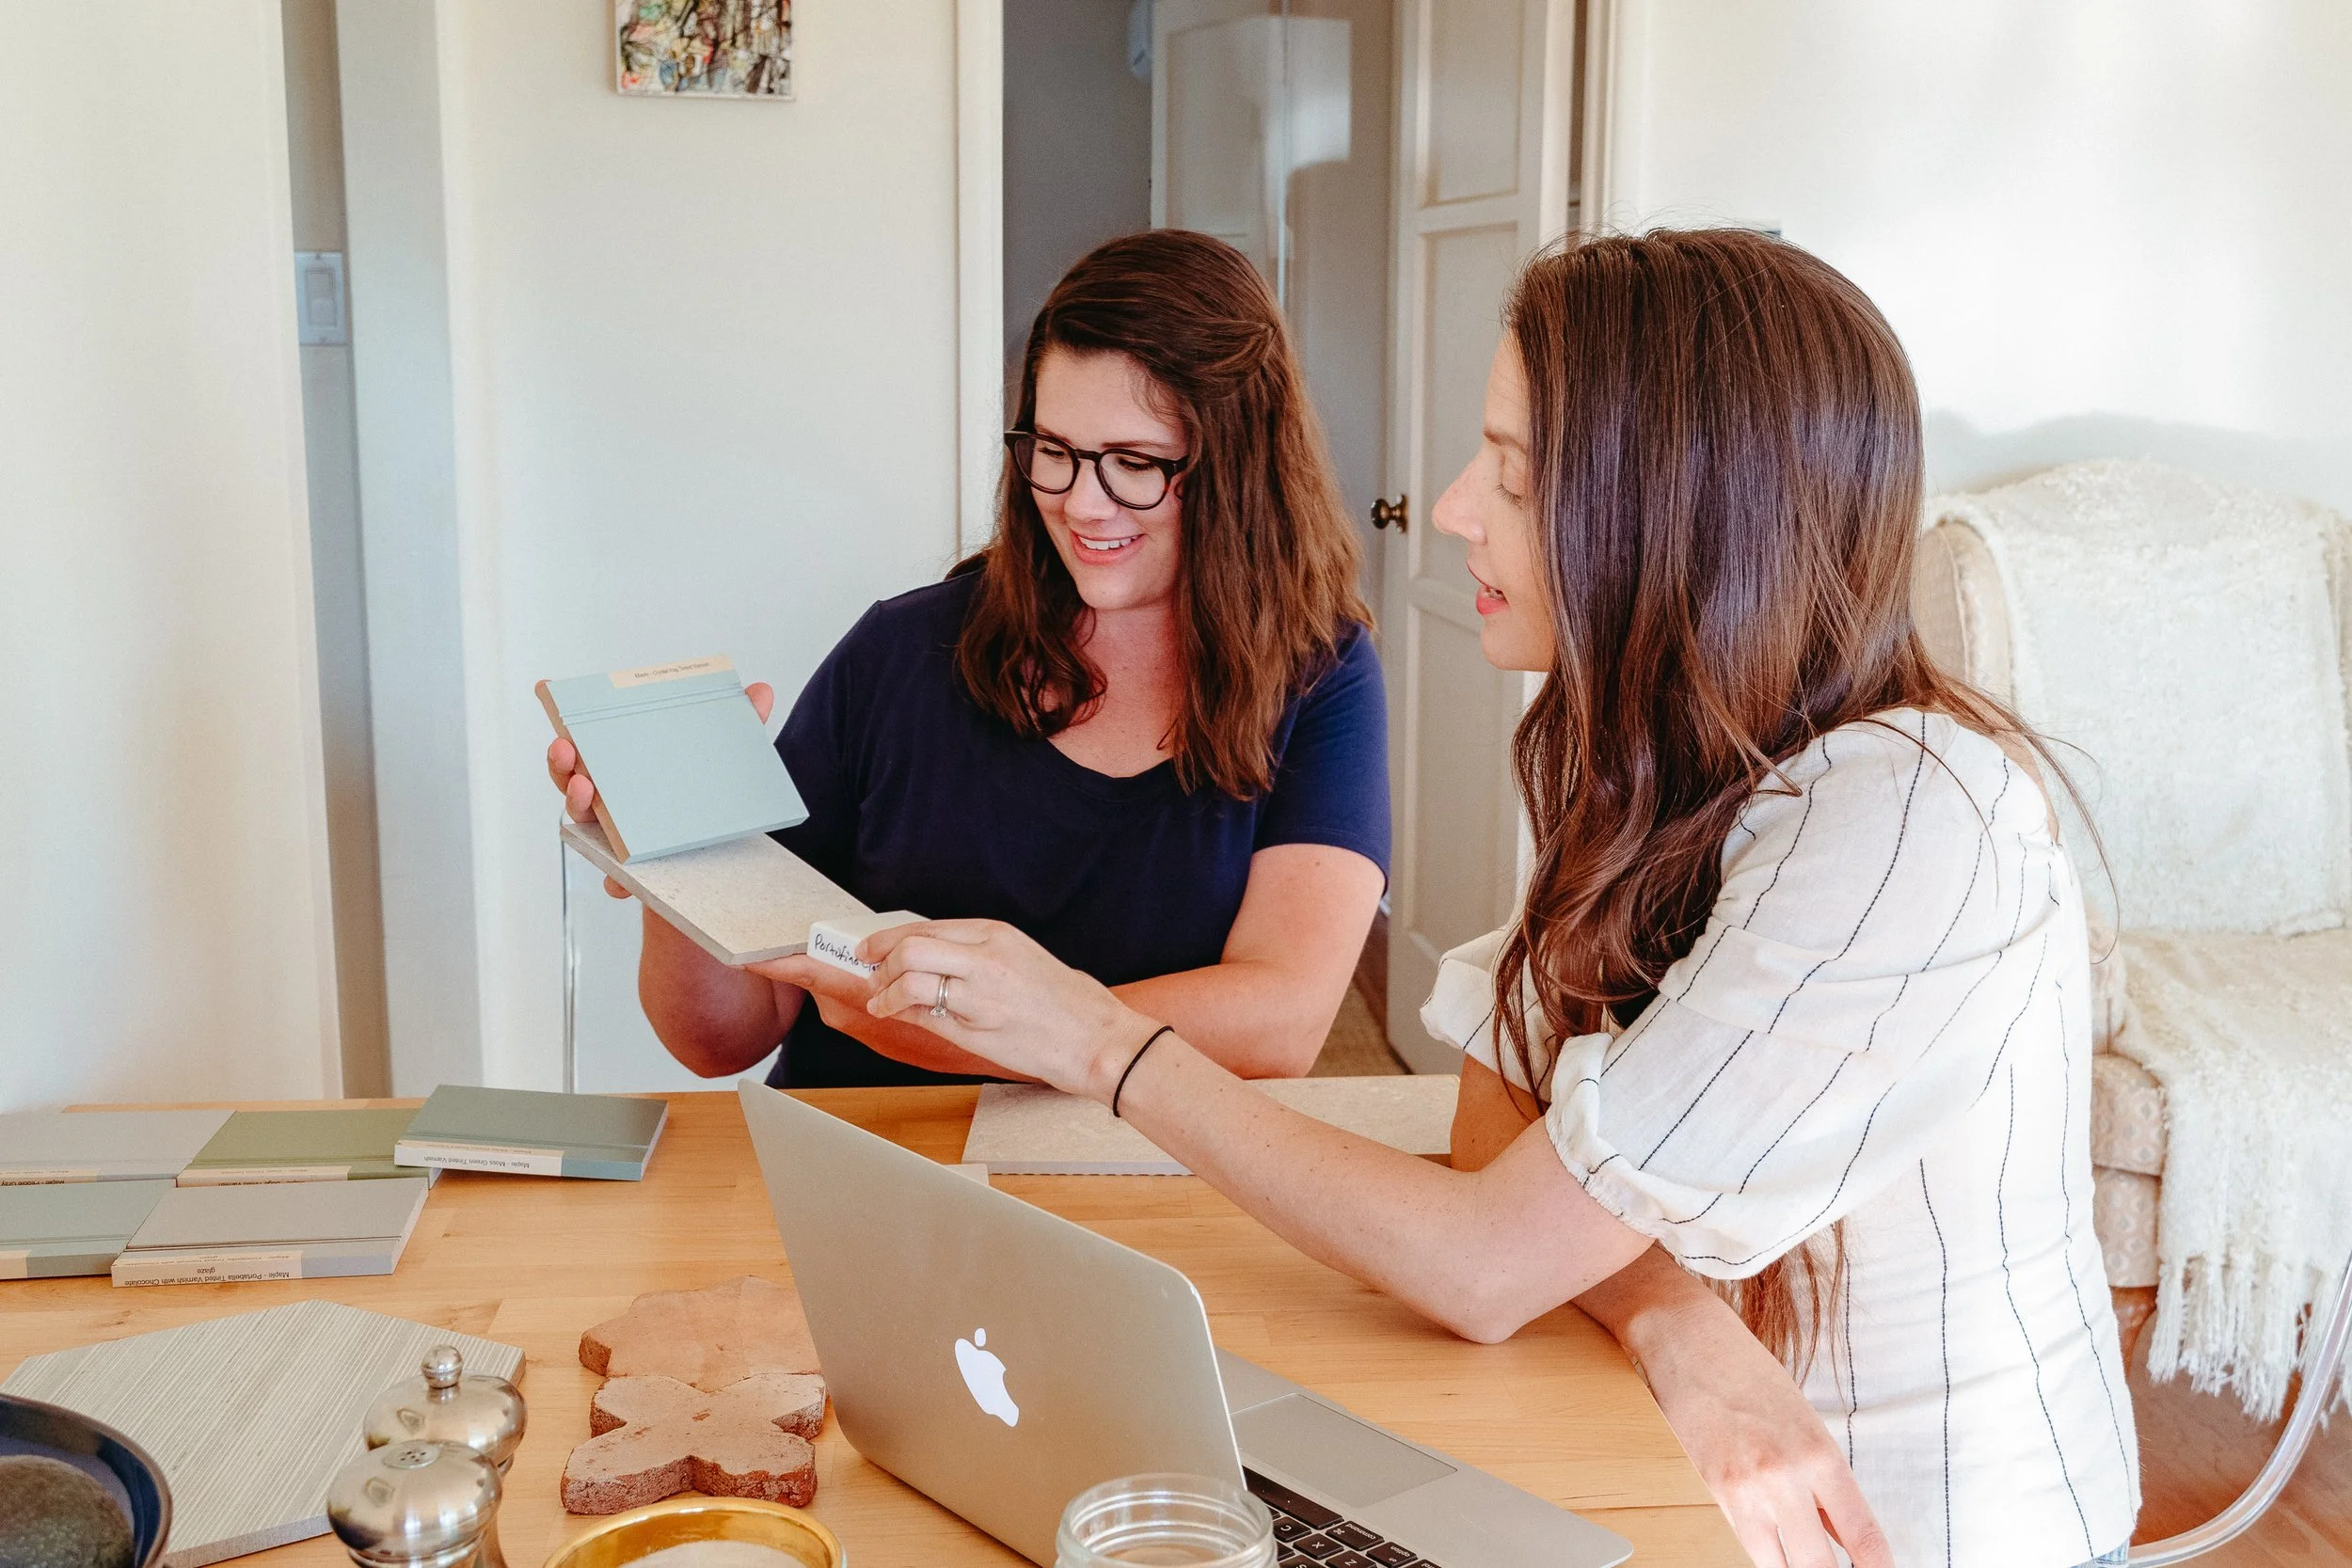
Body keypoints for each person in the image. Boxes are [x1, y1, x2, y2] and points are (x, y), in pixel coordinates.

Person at [846, 230, 2139, 1568]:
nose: (1456, 505)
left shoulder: (1909, 818)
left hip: (1905, 1527)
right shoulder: (1669, 757)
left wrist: (1098, 1038)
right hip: (1676, 1463)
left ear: (1673, 511)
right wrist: (1670, 1316)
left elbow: (1486, 1259)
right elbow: (1494, 1112)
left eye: (1512, 473)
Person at [547, 230, 1389, 1087]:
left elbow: (1282, 1019)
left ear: (1240, 467)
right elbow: (722, 1039)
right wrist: (678, 864)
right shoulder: (899, 653)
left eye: (1132, 463)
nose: (1082, 505)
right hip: (867, 1164)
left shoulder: (1322, 675)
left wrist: (996, 1027)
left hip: (1137, 1184)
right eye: (1053, 453)